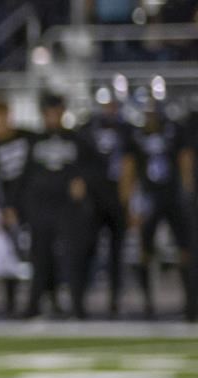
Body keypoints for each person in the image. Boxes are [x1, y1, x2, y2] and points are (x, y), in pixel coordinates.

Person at [21, 92, 99, 320]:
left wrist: (83, 183)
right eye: (49, 112)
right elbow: (25, 175)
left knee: (72, 258)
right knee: (40, 258)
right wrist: (22, 205)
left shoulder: (77, 140)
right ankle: (35, 303)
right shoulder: (34, 141)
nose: (54, 116)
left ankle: (76, 304)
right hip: (41, 207)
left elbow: (92, 168)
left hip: (67, 208)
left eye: (57, 111)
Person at [130, 97, 194, 320]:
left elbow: (185, 158)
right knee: (144, 250)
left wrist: (187, 191)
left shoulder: (173, 130)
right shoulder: (137, 135)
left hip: (173, 196)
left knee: (184, 249)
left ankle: (191, 302)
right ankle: (148, 303)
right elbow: (128, 168)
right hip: (149, 198)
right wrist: (131, 203)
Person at [78, 89, 135, 318]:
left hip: (116, 200)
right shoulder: (86, 128)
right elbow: (78, 162)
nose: (110, 108)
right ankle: (80, 299)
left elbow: (130, 164)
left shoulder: (126, 130)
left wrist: (127, 199)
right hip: (94, 199)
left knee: (116, 253)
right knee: (87, 250)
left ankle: (114, 300)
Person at [0, 97, 33, 318]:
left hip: (31, 205)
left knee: (36, 255)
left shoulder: (27, 138)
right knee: (8, 259)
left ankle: (41, 300)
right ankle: (11, 303)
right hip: (6, 208)